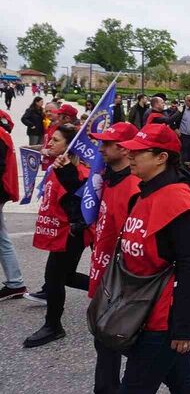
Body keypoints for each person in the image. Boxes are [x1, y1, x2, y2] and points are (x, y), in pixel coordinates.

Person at [115, 123, 190, 391]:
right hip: (142, 306)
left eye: (139, 152)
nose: (130, 156)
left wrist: (181, 328)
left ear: (161, 158)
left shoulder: (180, 202)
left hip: (165, 316)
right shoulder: (144, 193)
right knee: (181, 379)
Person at [85, 122, 141, 394]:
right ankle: (180, 368)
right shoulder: (108, 177)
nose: (101, 149)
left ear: (123, 148)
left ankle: (105, 388)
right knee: (107, 336)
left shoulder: (133, 187)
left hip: (120, 276)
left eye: (107, 144)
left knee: (108, 337)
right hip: (103, 266)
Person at [24, 124, 90, 348]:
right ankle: (107, 290)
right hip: (60, 230)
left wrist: (73, 225)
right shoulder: (57, 166)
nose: (49, 143)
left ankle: (53, 326)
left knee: (54, 277)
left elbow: (80, 204)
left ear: (70, 146)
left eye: (56, 140)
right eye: (50, 139)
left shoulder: (78, 171)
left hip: (70, 232)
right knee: (66, 276)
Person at [0, 114, 24, 301]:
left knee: (2, 239)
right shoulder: (3, 134)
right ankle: (15, 282)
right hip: (2, 191)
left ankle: (15, 282)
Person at [172, 95, 190, 164]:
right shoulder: (180, 110)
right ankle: (183, 173)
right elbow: (171, 120)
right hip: (183, 137)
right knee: (183, 158)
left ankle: (189, 173)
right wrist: (175, 129)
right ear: (185, 101)